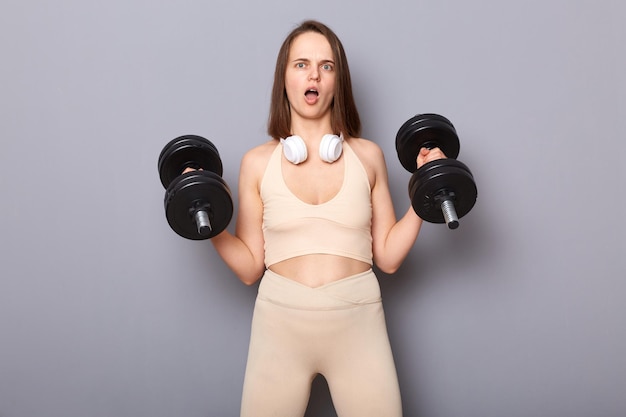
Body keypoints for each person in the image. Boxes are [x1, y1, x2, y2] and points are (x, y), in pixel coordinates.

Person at [208, 20, 445, 417]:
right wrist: (206, 216)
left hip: (358, 323)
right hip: (279, 327)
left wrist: (426, 188)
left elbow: (387, 257)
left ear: (338, 81)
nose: (313, 74)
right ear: (284, 78)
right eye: (301, 64)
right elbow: (251, 267)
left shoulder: (367, 156)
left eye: (326, 65)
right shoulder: (256, 163)